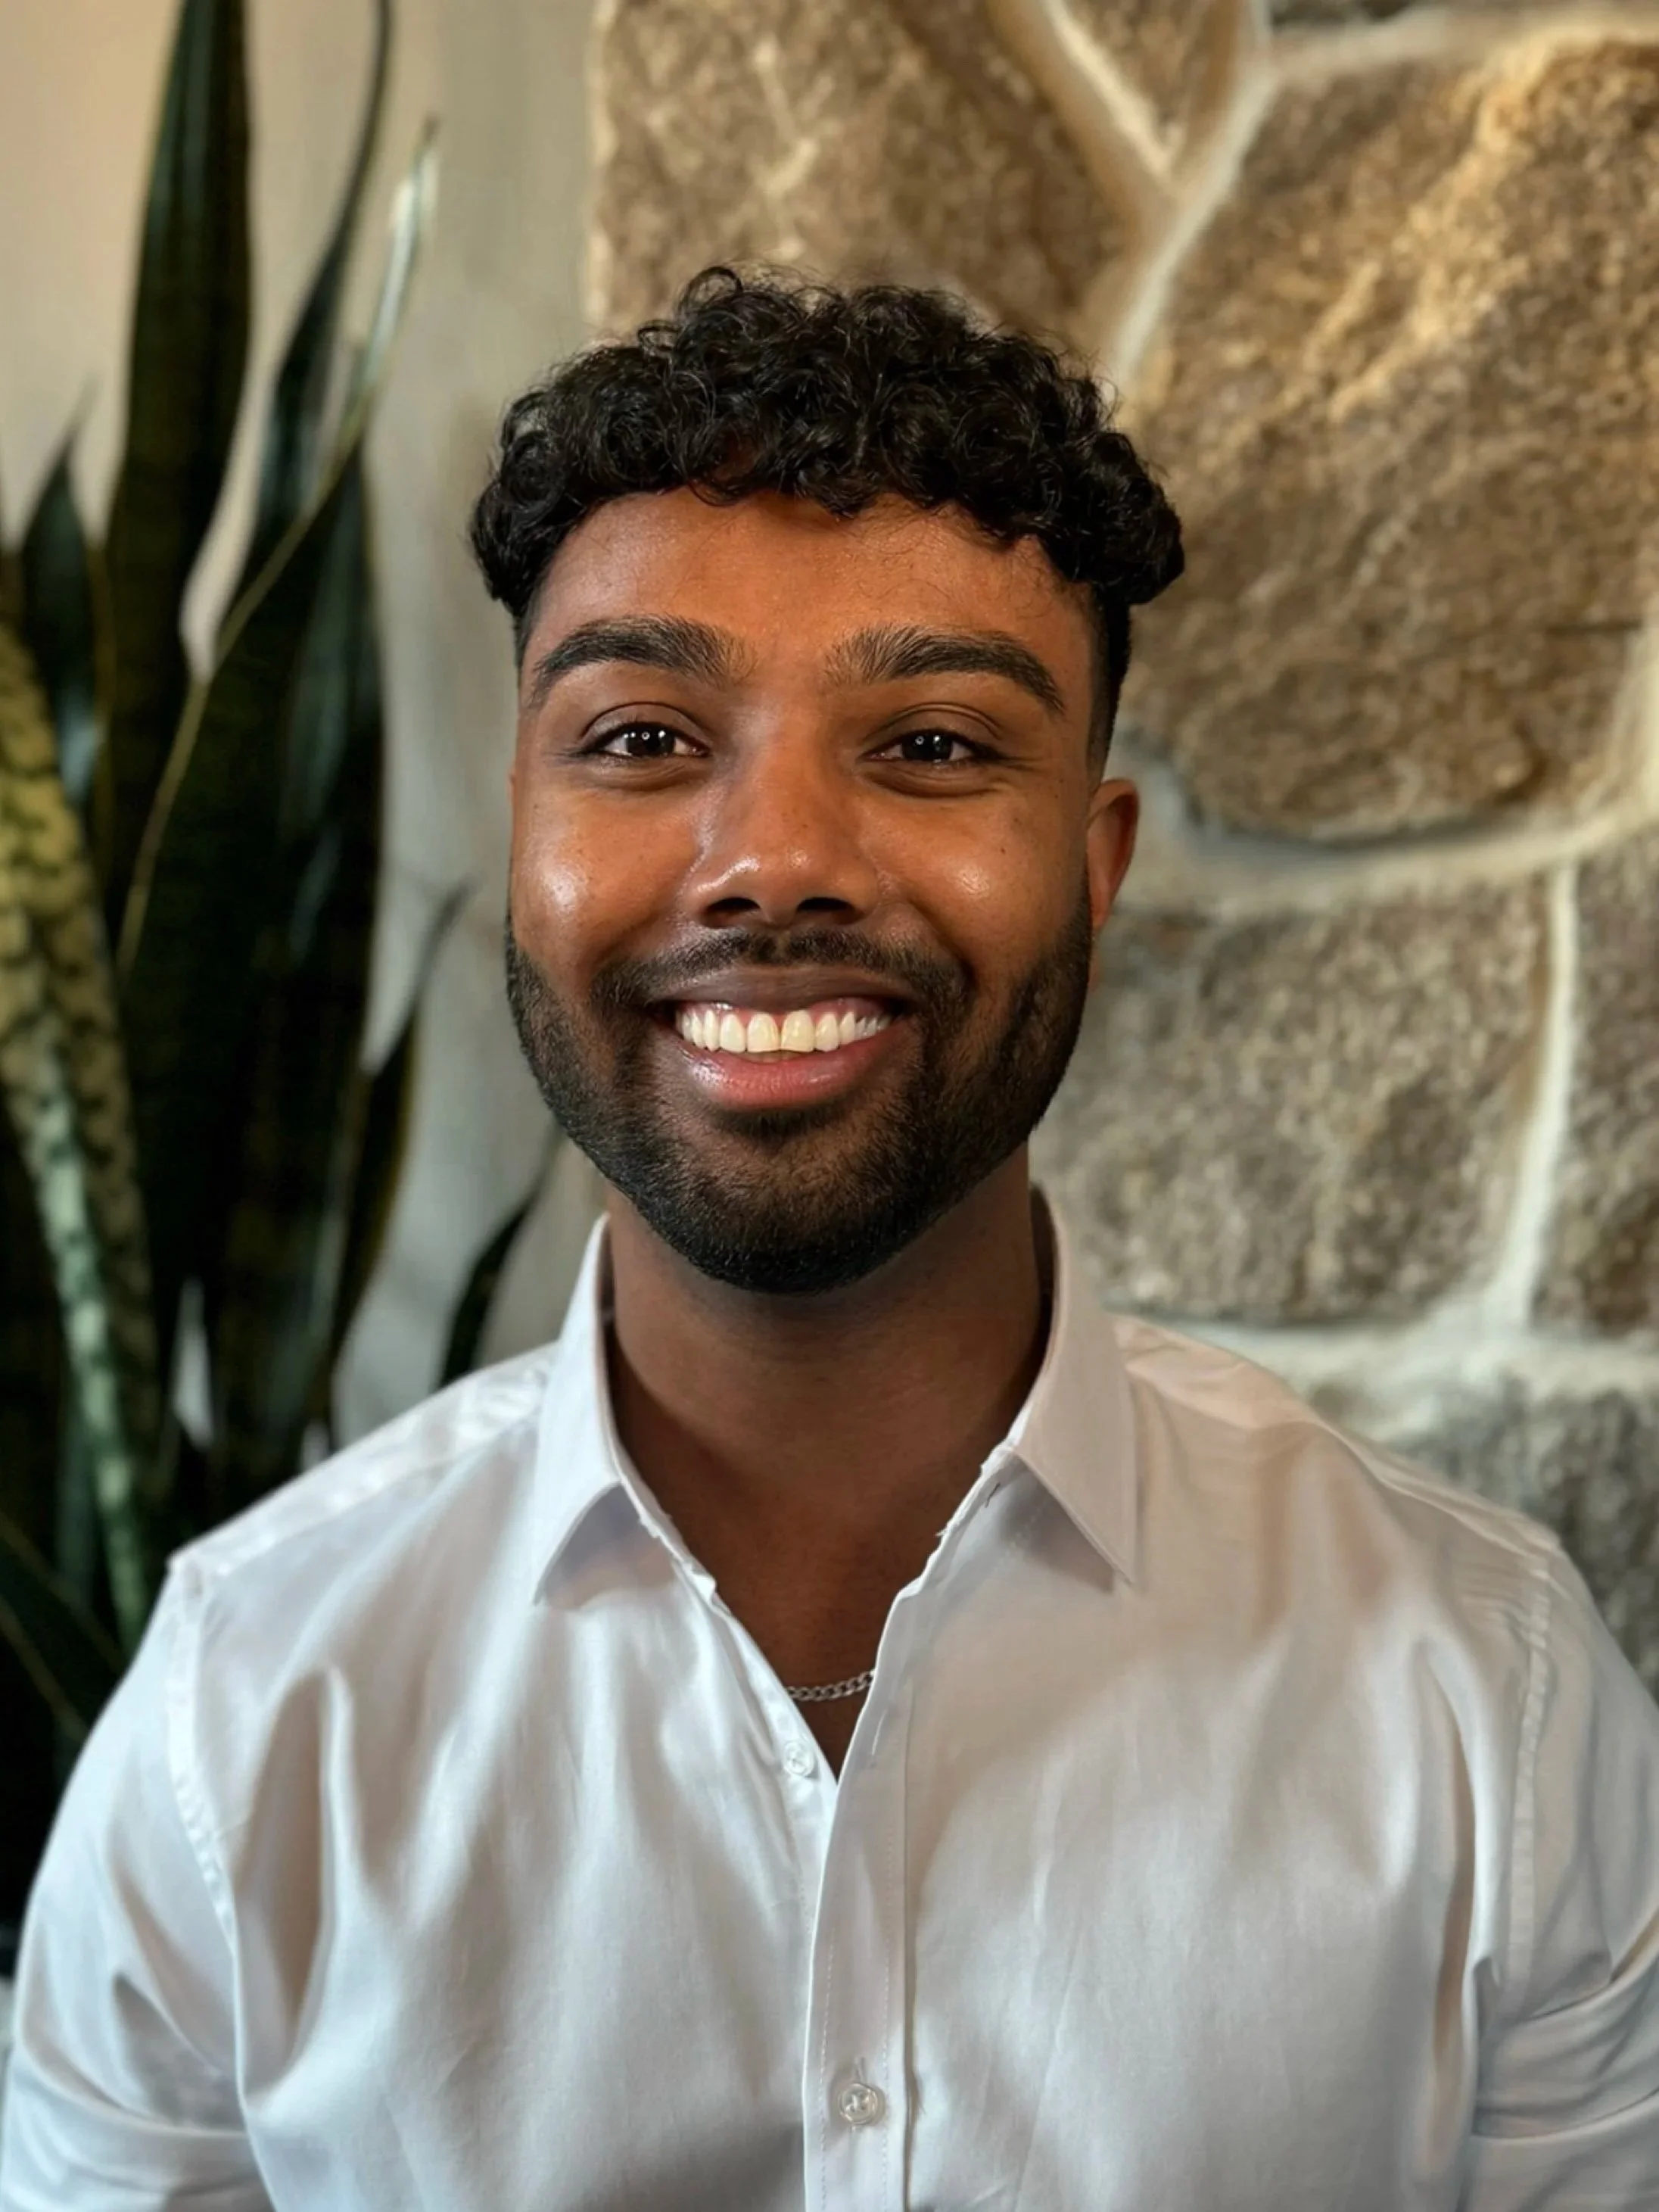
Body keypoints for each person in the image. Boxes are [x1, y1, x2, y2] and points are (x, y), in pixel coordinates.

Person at [4, 266, 1657, 2212]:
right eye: (638, 738)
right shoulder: (239, 1721)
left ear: (1093, 866)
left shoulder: (1487, 1695)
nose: (773, 856)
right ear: (521, 821)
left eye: (937, 745)